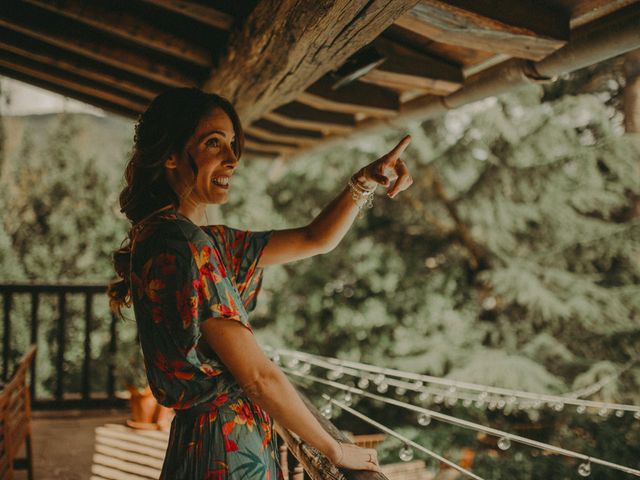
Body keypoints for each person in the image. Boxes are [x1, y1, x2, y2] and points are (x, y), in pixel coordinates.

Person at [108, 87, 413, 479]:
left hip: (205, 443)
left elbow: (313, 238)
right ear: (169, 154)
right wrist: (334, 450)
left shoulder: (177, 237)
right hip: (226, 453)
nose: (232, 159)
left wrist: (364, 181)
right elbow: (257, 377)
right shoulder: (186, 247)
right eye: (213, 143)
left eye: (232, 144)